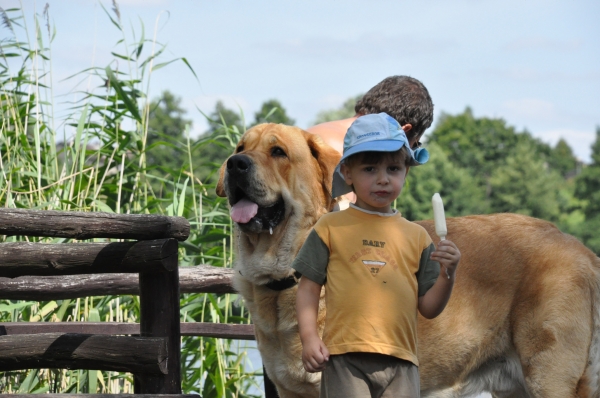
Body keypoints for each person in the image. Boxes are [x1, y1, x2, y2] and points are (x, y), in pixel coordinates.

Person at [293, 113, 461, 397]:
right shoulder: (330, 228)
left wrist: (448, 274)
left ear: (406, 172)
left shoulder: (418, 237)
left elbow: (429, 308)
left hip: (402, 362)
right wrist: (309, 338)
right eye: (370, 169)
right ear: (348, 173)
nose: (383, 180)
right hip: (345, 357)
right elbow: (308, 290)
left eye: (393, 169)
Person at [307, 75, 434, 208]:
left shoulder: (317, 133)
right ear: (403, 131)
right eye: (413, 145)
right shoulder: (334, 151)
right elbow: (353, 219)